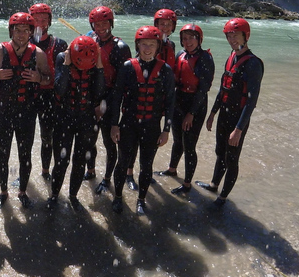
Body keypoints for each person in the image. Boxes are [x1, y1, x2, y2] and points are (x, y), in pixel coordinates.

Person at [0, 12, 51, 209]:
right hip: (3, 111)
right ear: (11, 30)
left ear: (31, 32)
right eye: (17, 30)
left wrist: (39, 79)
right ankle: (3, 192)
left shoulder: (38, 54)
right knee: (2, 154)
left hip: (27, 111)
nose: (21, 34)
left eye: (25, 30)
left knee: (25, 154)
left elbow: (48, 78)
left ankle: (22, 191)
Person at [197, 18, 264, 207]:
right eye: (229, 36)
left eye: (236, 35)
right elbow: (222, 89)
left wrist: (239, 129)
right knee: (220, 152)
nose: (232, 39)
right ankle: (213, 185)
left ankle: (223, 199)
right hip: (224, 114)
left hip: (238, 119)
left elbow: (251, 101)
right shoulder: (231, 57)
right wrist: (212, 113)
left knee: (232, 158)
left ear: (246, 36)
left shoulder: (253, 64)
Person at [110, 26, 175, 215]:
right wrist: (115, 124)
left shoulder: (166, 70)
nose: (147, 48)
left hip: (152, 126)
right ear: (137, 45)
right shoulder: (127, 67)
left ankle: (141, 199)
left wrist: (166, 130)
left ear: (158, 47)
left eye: (151, 45)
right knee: (122, 162)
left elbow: (170, 102)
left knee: (146, 165)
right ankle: (118, 197)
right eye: (143, 44)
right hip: (128, 124)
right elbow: (117, 98)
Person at [155, 24, 215, 194]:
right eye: (184, 38)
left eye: (191, 38)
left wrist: (191, 114)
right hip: (179, 102)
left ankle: (187, 184)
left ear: (199, 39)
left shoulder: (205, 59)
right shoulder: (181, 54)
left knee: (189, 145)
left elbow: (203, 90)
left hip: (195, 105)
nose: (187, 42)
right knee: (177, 140)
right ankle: (172, 169)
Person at [47, 35, 105, 211]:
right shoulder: (61, 58)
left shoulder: (96, 63)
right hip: (64, 117)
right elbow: (59, 88)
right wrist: (66, 64)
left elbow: (98, 93)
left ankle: (73, 196)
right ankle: (54, 195)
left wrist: (100, 65)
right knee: (61, 161)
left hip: (86, 118)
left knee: (80, 160)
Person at [83, 6, 132, 195]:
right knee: (89, 140)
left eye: (105, 23)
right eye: (97, 24)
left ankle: (107, 178)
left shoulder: (120, 48)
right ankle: (91, 171)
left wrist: (104, 107)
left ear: (111, 23)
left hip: (110, 99)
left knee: (109, 142)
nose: (101, 27)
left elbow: (121, 85)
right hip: (92, 98)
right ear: (92, 25)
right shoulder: (90, 42)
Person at [29, 3, 68, 181]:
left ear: (49, 21)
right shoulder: (23, 43)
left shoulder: (59, 44)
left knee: (48, 138)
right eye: (36, 19)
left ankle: (45, 171)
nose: (40, 23)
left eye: (44, 19)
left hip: (50, 96)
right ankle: (24, 172)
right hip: (28, 95)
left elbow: (64, 76)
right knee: (26, 138)